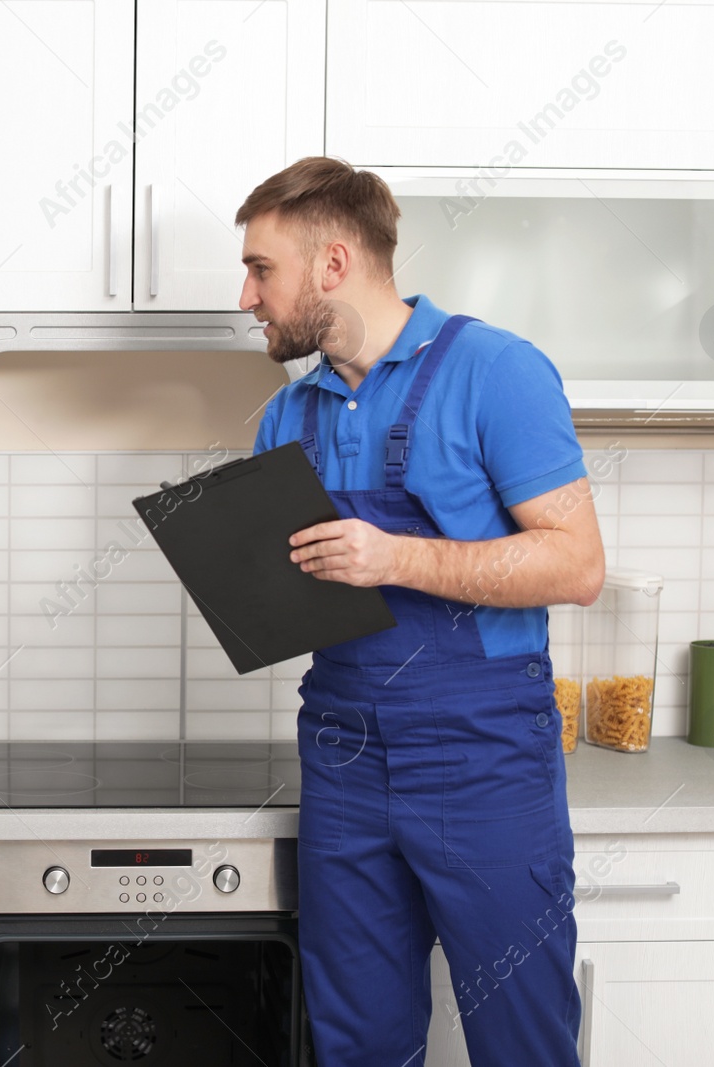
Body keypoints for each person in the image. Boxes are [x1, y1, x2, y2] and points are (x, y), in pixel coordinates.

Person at [237, 157, 605, 1066]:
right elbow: (284, 605)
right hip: (343, 758)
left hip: (483, 756)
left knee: (522, 1039)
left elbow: (578, 562)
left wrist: (392, 555)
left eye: (260, 268)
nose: (248, 295)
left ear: (331, 264)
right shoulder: (285, 418)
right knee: (358, 1042)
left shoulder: (498, 372)